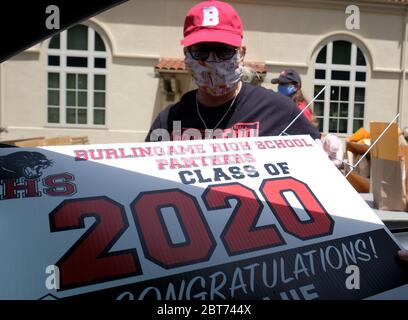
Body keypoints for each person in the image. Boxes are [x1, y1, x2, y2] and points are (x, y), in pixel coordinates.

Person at [145, 0, 339, 162]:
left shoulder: (279, 111)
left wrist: (327, 152)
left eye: (223, 50)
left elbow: (316, 157)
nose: (212, 61)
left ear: (242, 54)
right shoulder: (168, 121)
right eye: (201, 51)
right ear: (187, 55)